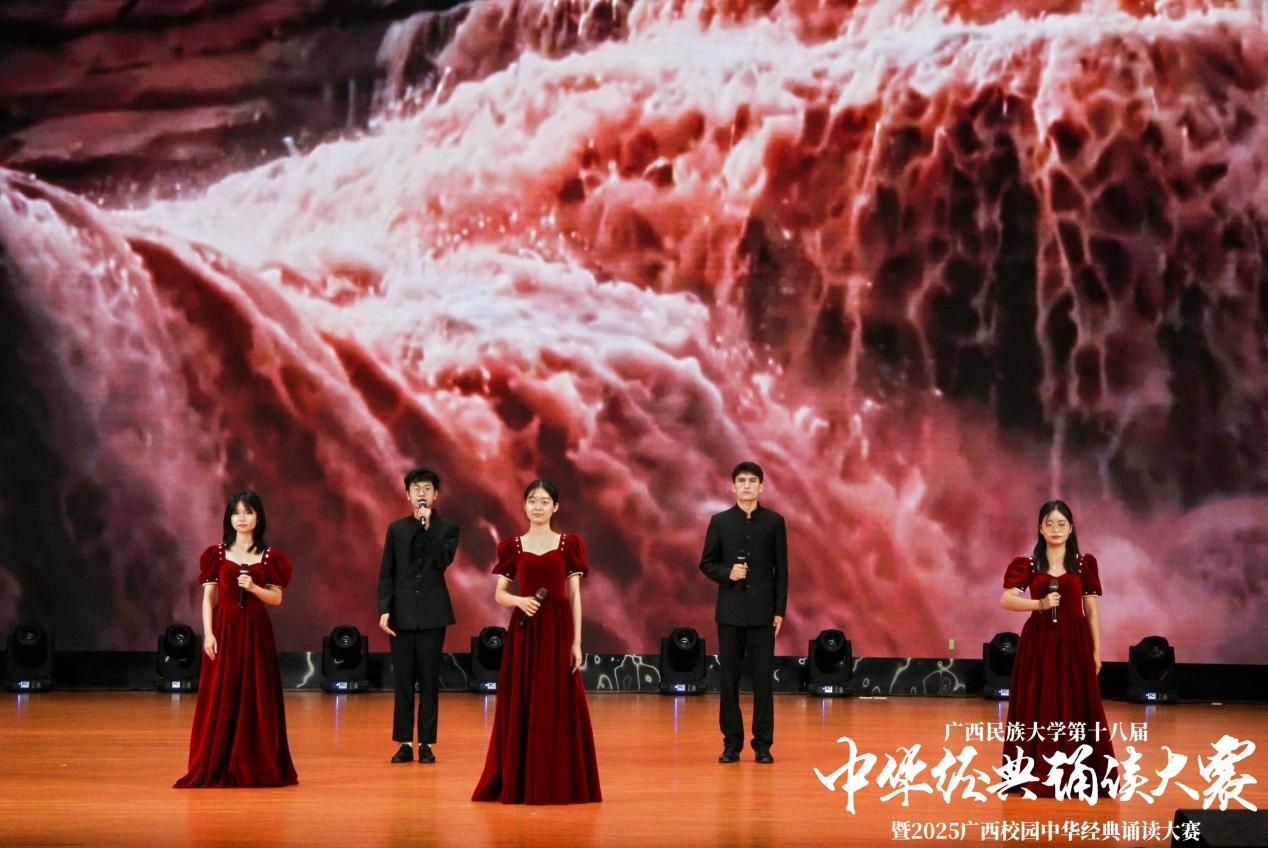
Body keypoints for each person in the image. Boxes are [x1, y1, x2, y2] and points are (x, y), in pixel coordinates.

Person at [471, 479, 602, 804]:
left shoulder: (568, 544)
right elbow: (500, 594)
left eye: (544, 501)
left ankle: (559, 781)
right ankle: (521, 780)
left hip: (559, 630)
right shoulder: (513, 546)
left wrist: (577, 642)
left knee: (558, 702)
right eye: (532, 500)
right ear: (524, 505)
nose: (538, 506)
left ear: (555, 507)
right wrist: (520, 601)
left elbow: (574, 596)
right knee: (525, 699)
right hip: (525, 632)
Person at [175, 490, 297, 788]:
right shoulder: (216, 554)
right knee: (221, 692)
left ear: (258, 517)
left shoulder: (270, 556)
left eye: (248, 512)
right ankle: (217, 761)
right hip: (224, 629)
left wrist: (254, 588)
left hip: (256, 631)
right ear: (229, 518)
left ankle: (257, 762)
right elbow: (209, 598)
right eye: (236, 513)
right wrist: (208, 634)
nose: (241, 518)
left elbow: (276, 598)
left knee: (257, 694)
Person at [999, 500, 1118, 798]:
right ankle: (1035, 770)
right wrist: (1039, 604)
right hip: (1038, 643)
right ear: (1040, 528)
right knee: (1038, 703)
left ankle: (1081, 772)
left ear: (1071, 528)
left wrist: (1096, 651)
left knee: (1078, 704)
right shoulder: (1029, 565)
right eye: (1049, 524)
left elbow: (1091, 609)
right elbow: (1007, 600)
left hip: (1075, 642)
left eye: (1061, 524)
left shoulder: (1083, 564)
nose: (1055, 529)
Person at [698, 461, 788, 764]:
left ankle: (763, 745)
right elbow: (707, 563)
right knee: (729, 681)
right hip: (730, 611)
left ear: (761, 487)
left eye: (752, 481)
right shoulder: (720, 522)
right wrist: (728, 573)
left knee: (763, 681)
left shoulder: (774, 522)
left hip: (764, 613)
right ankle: (731, 744)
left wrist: (779, 610)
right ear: (732, 487)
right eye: (741, 481)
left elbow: (782, 571)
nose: (747, 485)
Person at [377, 467, 460, 764]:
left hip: (433, 614)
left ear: (435, 495)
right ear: (407, 495)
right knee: (403, 681)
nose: (421, 493)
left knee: (428, 681)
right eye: (416, 489)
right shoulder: (396, 529)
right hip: (401, 614)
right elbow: (387, 571)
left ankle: (426, 743)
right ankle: (404, 743)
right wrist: (384, 608)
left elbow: (442, 561)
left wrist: (428, 528)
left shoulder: (447, 528)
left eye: (427, 489)